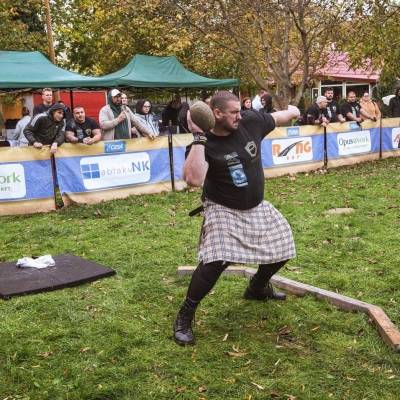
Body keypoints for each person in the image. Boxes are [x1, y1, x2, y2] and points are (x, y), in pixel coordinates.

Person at [173, 91, 300, 346]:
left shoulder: (250, 121)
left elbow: (280, 117)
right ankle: (185, 315)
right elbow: (193, 179)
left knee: (284, 245)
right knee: (216, 259)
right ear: (216, 113)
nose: (239, 116)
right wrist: (198, 136)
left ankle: (257, 288)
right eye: (233, 112)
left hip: (255, 205)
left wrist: (294, 111)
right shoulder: (205, 142)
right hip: (223, 208)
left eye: (239, 111)